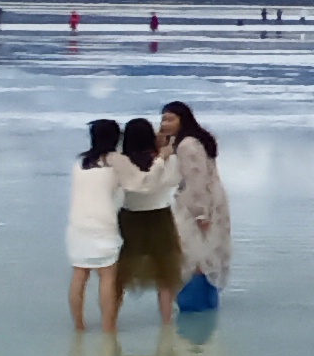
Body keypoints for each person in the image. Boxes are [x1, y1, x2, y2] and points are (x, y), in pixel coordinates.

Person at [67, 119, 146, 330]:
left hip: (77, 225)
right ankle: (108, 327)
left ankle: (79, 326)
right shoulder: (115, 161)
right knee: (108, 277)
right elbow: (138, 183)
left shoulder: (80, 162)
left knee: (79, 275)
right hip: (104, 224)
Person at [111, 117, 185, 328]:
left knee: (122, 272)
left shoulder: (122, 164)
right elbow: (173, 180)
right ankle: (166, 321)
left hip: (130, 216)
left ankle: (112, 319)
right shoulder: (163, 161)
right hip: (160, 216)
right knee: (166, 272)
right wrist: (165, 152)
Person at [157, 101, 231, 309]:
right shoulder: (191, 141)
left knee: (193, 253)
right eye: (163, 119)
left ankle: (194, 305)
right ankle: (206, 305)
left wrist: (200, 214)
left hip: (197, 205)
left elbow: (195, 181)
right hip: (210, 201)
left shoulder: (187, 145)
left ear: (184, 119)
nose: (165, 123)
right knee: (205, 252)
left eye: (171, 119)